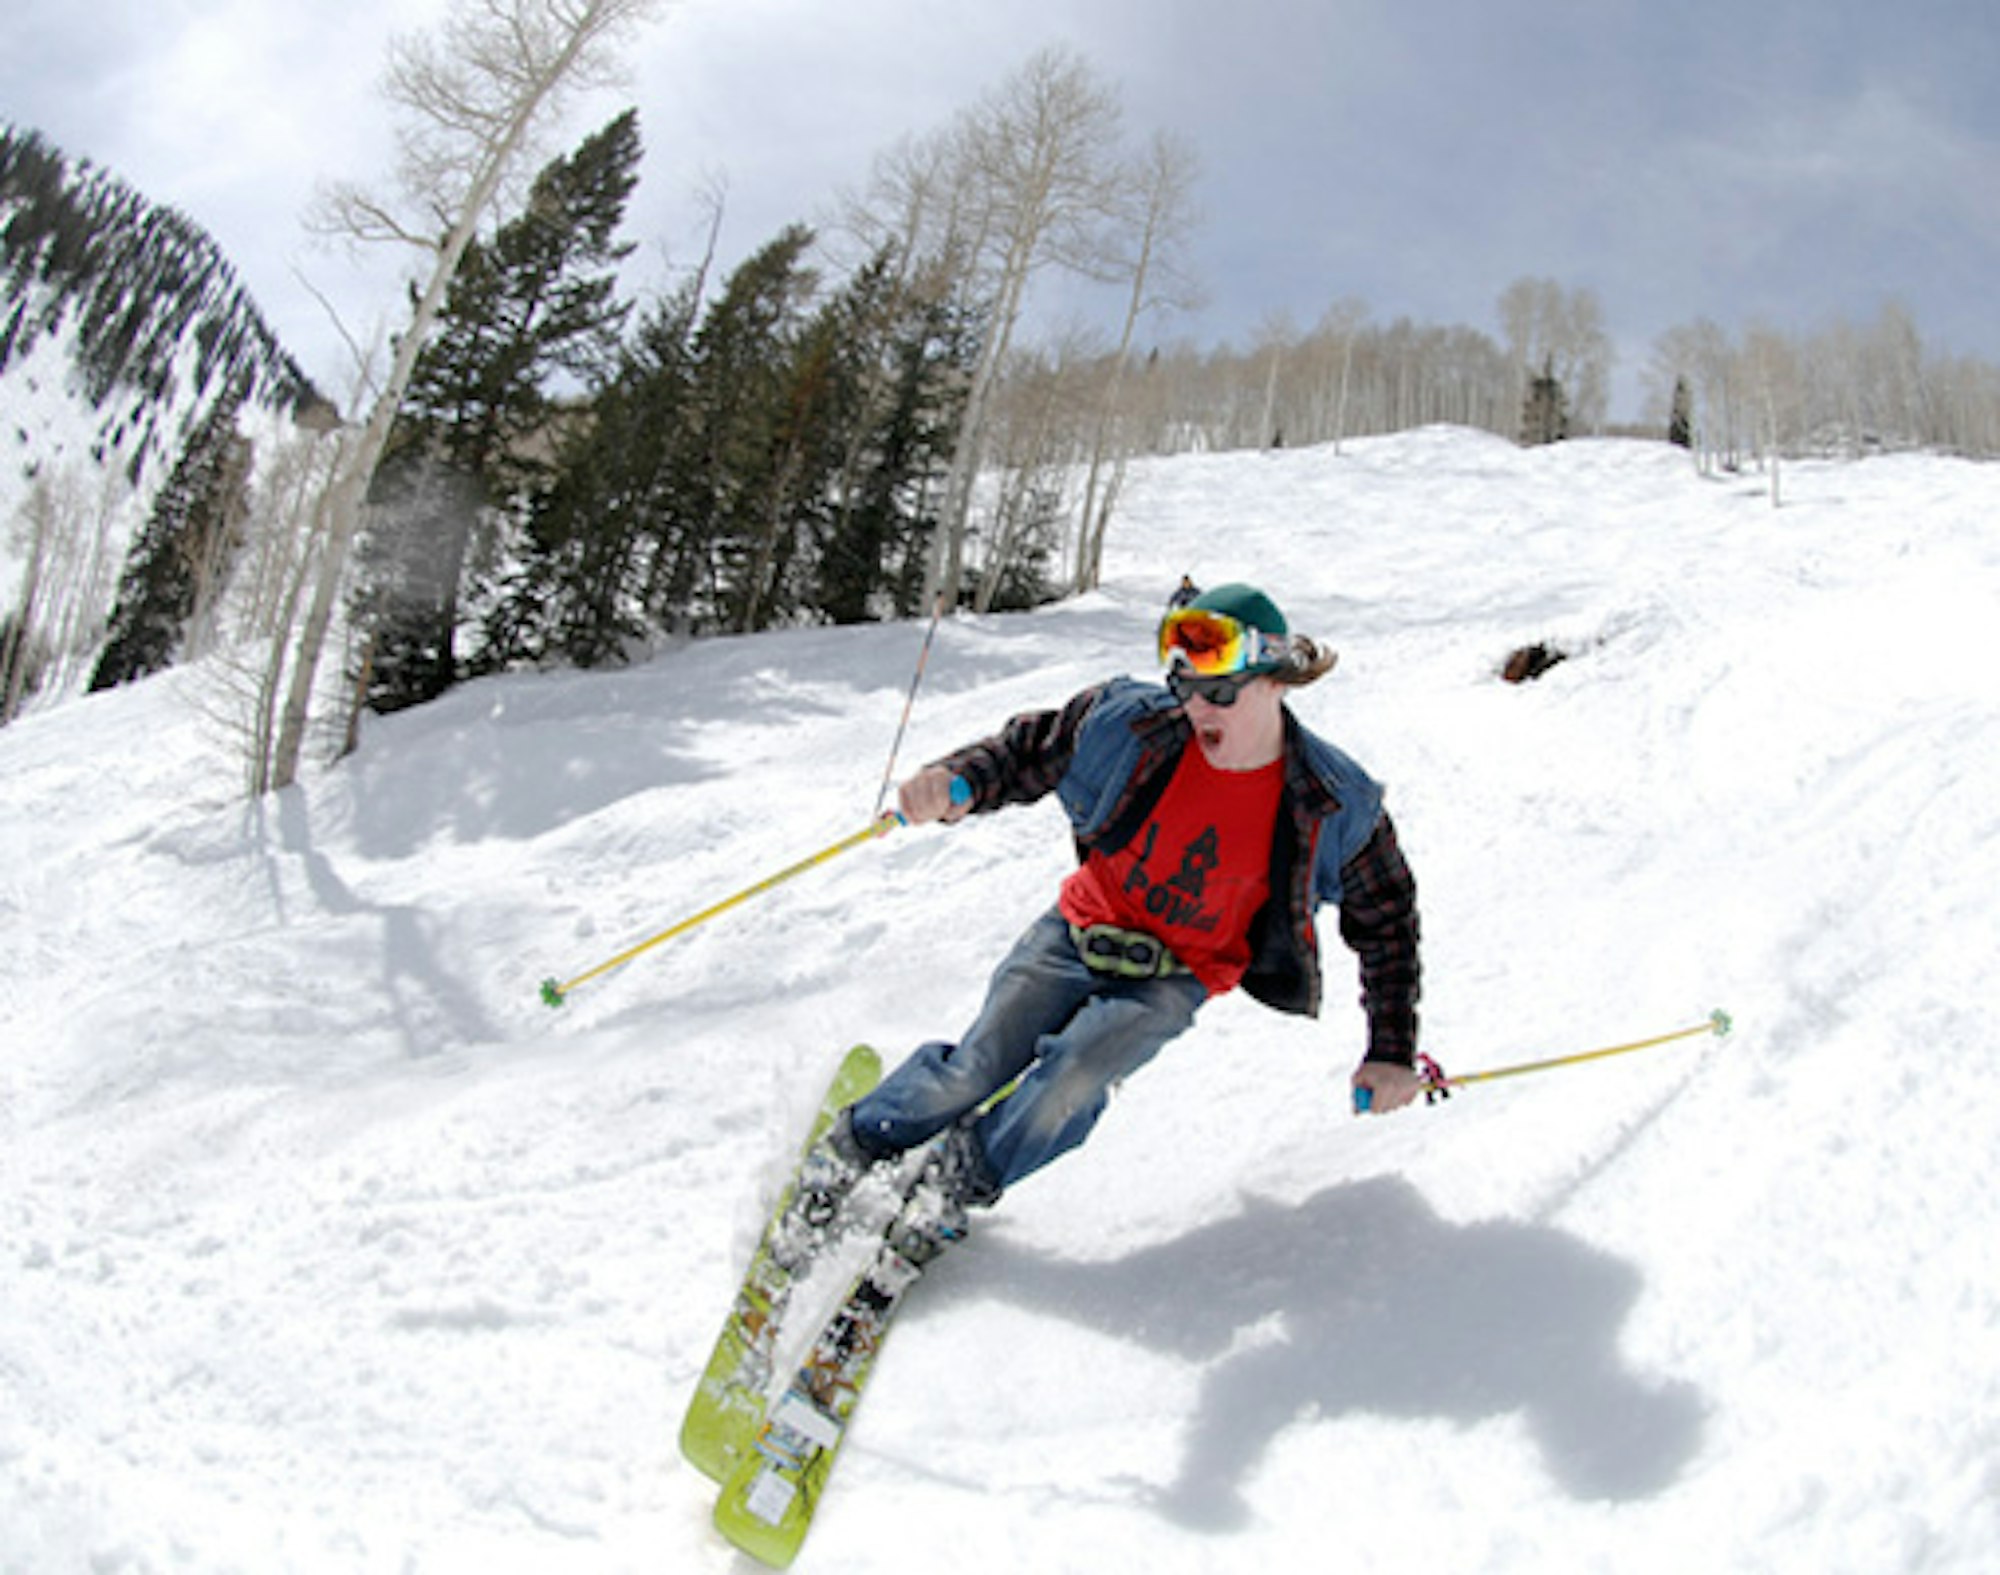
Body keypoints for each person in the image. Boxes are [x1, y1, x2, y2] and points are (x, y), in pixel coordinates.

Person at [798, 582, 1424, 1262]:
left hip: (1174, 977)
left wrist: (1391, 1050)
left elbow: (1386, 922)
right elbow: (1026, 752)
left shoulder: (1335, 803)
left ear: (1276, 682)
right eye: (1185, 686)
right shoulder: (1130, 722)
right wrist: (956, 782)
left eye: (1220, 693)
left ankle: (955, 1182)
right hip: (1076, 931)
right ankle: (859, 1141)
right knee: (977, 1066)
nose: (1196, 708)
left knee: (1070, 1082)